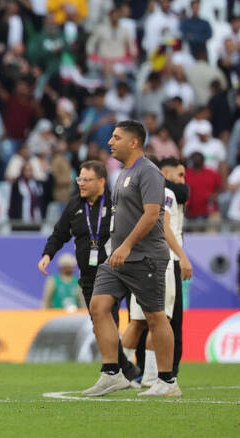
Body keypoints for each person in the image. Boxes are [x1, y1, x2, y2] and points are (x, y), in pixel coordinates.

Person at [84, 120, 179, 397]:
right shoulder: (124, 173)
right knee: (98, 306)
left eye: (116, 137)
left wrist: (125, 246)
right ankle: (112, 373)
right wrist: (117, 248)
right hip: (118, 257)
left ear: (134, 142)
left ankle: (167, 381)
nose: (110, 142)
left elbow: (152, 215)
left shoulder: (148, 172)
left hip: (145, 256)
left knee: (155, 317)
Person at [39, 160, 140, 381]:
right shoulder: (75, 205)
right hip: (87, 277)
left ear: (101, 181)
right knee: (100, 326)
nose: (81, 184)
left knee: (109, 321)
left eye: (87, 179)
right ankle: (128, 370)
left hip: (114, 273)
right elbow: (59, 233)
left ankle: (117, 371)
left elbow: (135, 232)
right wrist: (47, 254)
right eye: (80, 179)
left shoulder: (117, 204)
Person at [123, 157, 193, 384]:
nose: (183, 181)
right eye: (180, 175)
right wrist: (182, 257)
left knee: (137, 321)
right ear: (162, 173)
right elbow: (164, 228)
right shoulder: (166, 194)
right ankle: (155, 377)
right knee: (162, 320)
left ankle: (121, 373)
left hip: (139, 261)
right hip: (164, 261)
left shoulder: (136, 195)